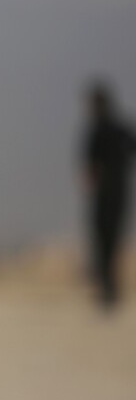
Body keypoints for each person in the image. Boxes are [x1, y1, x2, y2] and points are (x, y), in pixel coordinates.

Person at [81, 81, 135, 311]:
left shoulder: (99, 130)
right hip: (118, 190)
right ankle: (108, 289)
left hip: (107, 192)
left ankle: (107, 289)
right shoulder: (120, 128)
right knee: (110, 242)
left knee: (104, 241)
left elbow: (89, 168)